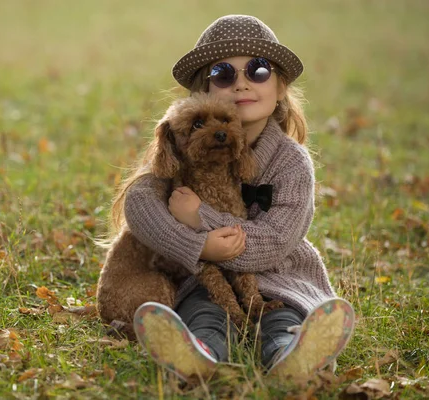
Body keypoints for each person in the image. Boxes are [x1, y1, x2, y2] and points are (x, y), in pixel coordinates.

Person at [108, 15, 356, 383]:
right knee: (204, 314)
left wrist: (202, 221)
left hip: (277, 278)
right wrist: (197, 247)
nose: (241, 83)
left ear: (280, 86)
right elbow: (141, 205)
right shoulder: (184, 149)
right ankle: (197, 356)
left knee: (282, 317)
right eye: (224, 74)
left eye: (257, 71)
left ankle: (293, 356)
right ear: (202, 91)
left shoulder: (291, 163)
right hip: (204, 283)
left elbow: (274, 241)